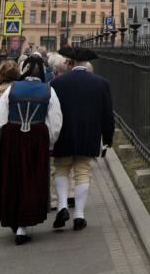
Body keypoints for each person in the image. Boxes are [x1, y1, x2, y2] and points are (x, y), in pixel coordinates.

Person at [0, 55, 62, 245]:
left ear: (24, 69)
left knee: (13, 178)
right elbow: (55, 123)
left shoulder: (12, 89)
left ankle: (16, 221)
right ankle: (24, 224)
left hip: (12, 138)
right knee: (32, 179)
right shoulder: (49, 90)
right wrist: (50, 143)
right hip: (37, 138)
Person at [50, 46, 114, 232]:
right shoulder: (101, 83)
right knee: (83, 172)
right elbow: (107, 115)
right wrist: (107, 139)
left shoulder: (56, 83)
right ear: (86, 64)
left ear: (70, 63)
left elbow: (51, 113)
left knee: (61, 169)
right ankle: (79, 215)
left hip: (63, 134)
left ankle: (62, 206)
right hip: (88, 134)